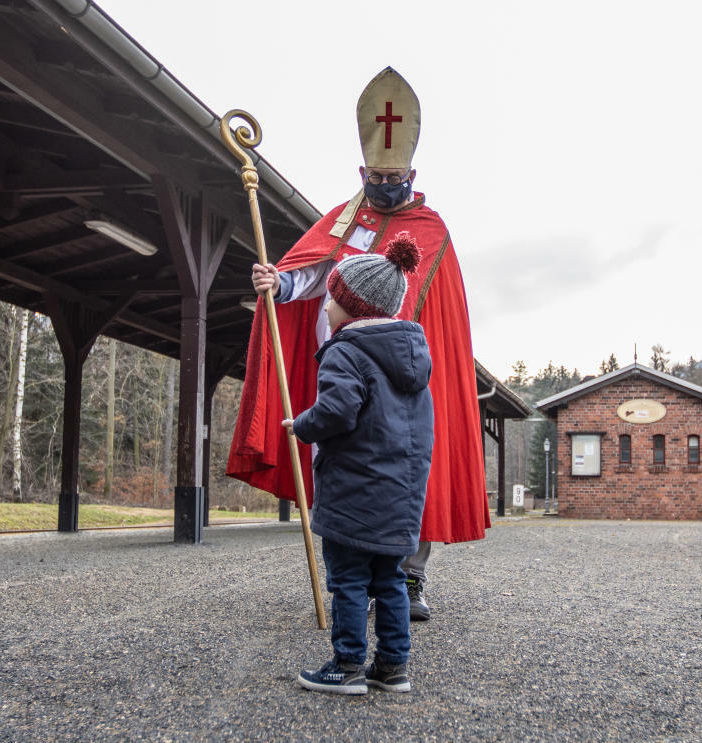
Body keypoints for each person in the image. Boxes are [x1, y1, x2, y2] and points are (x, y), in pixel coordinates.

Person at [227, 67, 488, 621]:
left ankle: (408, 579)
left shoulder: (432, 229)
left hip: (400, 376)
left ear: (411, 172)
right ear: (362, 170)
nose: (385, 183)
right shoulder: (346, 223)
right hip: (341, 368)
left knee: (406, 472)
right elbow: (318, 274)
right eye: (376, 174)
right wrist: (281, 282)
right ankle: (351, 574)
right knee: (345, 469)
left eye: (394, 176)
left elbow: (439, 312)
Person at [286, 235, 434, 694]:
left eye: (331, 298)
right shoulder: (412, 359)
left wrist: (301, 425)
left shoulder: (345, 352)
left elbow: (337, 411)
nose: (325, 307)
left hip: (353, 494)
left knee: (348, 580)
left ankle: (347, 664)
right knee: (389, 579)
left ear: (352, 308)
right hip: (401, 497)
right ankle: (392, 667)